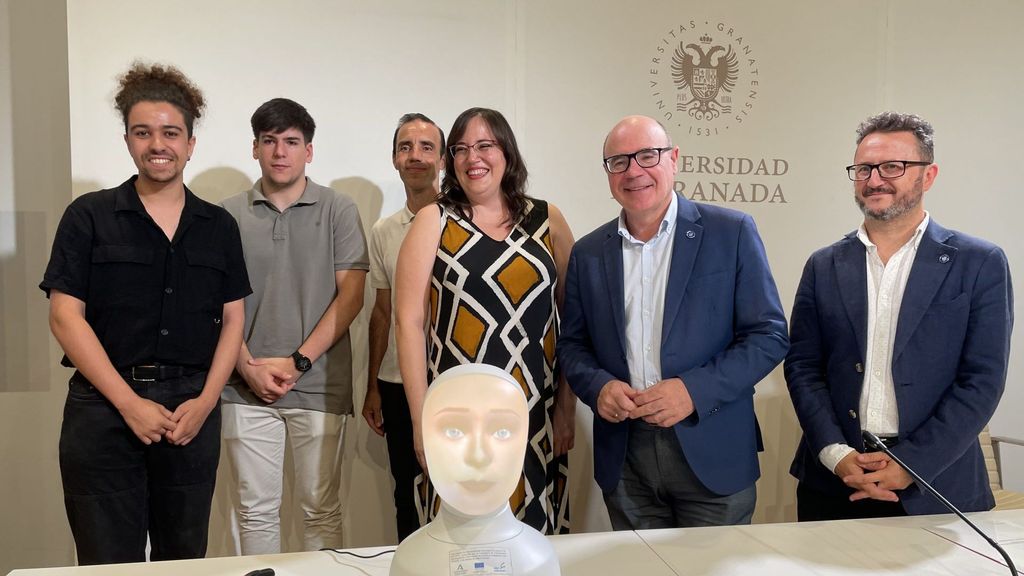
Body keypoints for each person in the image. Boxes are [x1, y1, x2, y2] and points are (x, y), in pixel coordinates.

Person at [40, 62, 250, 564]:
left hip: (189, 412)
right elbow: (65, 317)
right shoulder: (88, 216)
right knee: (107, 561)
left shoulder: (218, 226)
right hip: (103, 410)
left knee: (183, 558)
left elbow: (234, 320)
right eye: (143, 132)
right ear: (129, 140)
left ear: (191, 142)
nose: (158, 144)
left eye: (171, 132)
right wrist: (129, 403)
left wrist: (204, 402)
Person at [558, 115, 788, 530]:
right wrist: (598, 387)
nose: (634, 171)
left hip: (711, 445)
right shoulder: (589, 252)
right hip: (625, 457)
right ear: (608, 173)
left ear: (674, 159)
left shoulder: (731, 232)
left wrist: (692, 391)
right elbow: (573, 346)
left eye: (648, 155)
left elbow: (768, 336)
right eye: (619, 161)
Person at [785, 111, 1013, 520]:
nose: (874, 180)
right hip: (836, 480)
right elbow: (803, 368)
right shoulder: (823, 265)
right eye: (864, 168)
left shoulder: (979, 263)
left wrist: (912, 464)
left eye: (893, 167)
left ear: (928, 175)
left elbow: (982, 380)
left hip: (938, 484)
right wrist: (835, 453)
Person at [395, 107, 576, 534]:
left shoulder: (547, 219)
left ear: (506, 153)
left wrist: (567, 407)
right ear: (451, 161)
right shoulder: (434, 220)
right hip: (457, 419)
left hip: (535, 415)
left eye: (484, 145)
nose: (472, 157)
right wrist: (422, 421)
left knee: (530, 537)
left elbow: (574, 319)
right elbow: (408, 323)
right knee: (460, 540)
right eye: (461, 149)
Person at [220, 98, 368, 553]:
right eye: (269, 141)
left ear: (309, 150)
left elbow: (352, 296)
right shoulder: (225, 215)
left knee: (320, 510)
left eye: (290, 142)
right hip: (243, 387)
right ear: (254, 148)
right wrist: (247, 368)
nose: (279, 152)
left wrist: (298, 361)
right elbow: (214, 305)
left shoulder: (339, 210)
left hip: (319, 384)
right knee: (255, 512)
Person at [361, 113, 445, 541]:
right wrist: (373, 384)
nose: (415, 156)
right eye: (405, 147)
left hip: (452, 378)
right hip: (396, 383)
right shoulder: (383, 231)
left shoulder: (462, 222)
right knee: (407, 492)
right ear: (394, 159)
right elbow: (381, 311)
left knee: (459, 492)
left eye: (427, 147)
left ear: (443, 158)